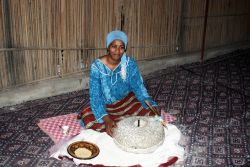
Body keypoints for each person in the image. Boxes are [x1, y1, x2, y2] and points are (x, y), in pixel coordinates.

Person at [77, 30, 159, 136]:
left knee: (151, 112)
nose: (117, 51)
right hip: (105, 106)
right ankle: (118, 123)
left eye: (121, 47)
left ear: (125, 48)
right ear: (108, 47)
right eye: (113, 46)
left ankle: (123, 124)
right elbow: (95, 96)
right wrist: (106, 120)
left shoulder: (130, 64)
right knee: (88, 116)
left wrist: (150, 105)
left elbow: (139, 87)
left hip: (126, 102)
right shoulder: (97, 67)